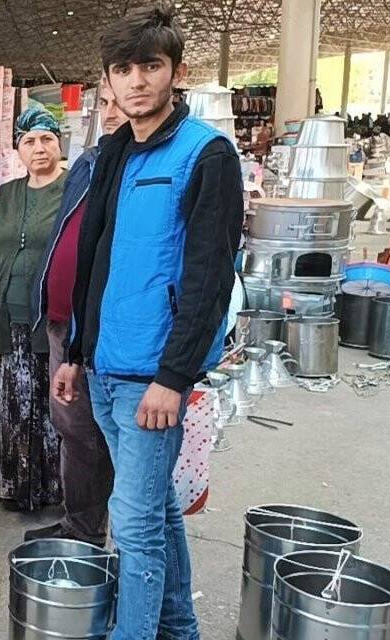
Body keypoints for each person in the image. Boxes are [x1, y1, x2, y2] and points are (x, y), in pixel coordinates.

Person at [53, 5, 243, 638]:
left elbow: (209, 279)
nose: (136, 81)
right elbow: (95, 257)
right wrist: (76, 352)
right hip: (105, 367)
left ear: (176, 72)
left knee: (132, 524)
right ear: (108, 80)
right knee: (157, 510)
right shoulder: (111, 151)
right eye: (123, 69)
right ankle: (179, 628)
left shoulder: (206, 154)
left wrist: (175, 375)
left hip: (151, 378)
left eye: (150, 67)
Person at [23, 81, 128, 546]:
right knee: (73, 428)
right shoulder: (89, 162)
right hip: (62, 321)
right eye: (104, 102)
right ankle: (81, 525)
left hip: (104, 326)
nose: (111, 113)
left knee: (106, 433)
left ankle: (110, 534)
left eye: (121, 103)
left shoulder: (145, 167)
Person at [0, 102, 66, 513]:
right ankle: (16, 485)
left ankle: (50, 489)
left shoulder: (72, 191)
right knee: (13, 403)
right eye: (29, 141)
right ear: (18, 149)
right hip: (8, 316)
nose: (39, 148)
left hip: (50, 319)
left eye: (47, 139)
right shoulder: (7, 193)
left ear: (59, 144)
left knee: (50, 407)